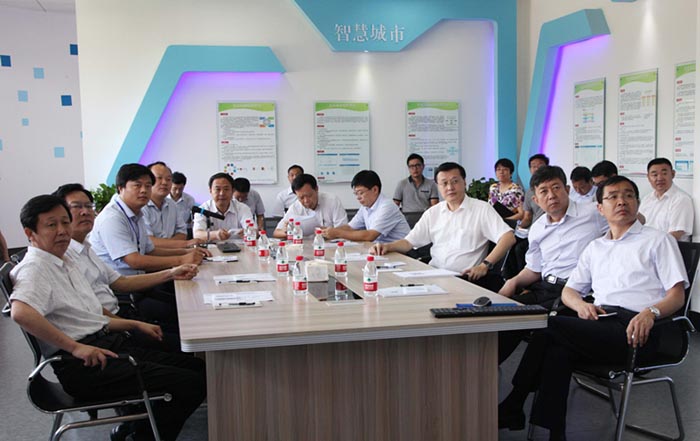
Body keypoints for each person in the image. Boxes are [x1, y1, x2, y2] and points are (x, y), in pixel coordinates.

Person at [498, 176, 688, 440]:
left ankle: (514, 403)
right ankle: (554, 433)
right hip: (603, 323)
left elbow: (677, 296)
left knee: (546, 325)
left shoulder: (657, 240)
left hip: (640, 330)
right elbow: (570, 291)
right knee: (557, 352)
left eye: (628, 196)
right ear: (600, 208)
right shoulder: (595, 247)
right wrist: (580, 306)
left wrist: (650, 312)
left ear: (637, 203)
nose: (621, 201)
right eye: (613, 197)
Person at [9, 194, 206, 441]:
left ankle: (135, 429)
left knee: (197, 367)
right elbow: (21, 312)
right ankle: (140, 436)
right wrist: (76, 348)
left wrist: (133, 324)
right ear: (30, 233)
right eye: (51, 225)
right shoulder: (35, 267)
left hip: (108, 345)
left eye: (64, 222)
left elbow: (88, 313)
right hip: (87, 365)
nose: (62, 231)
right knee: (191, 382)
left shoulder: (64, 259)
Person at [54, 183, 197, 351]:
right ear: (121, 188)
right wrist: (132, 325)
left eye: (88, 206)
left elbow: (121, 281)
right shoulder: (66, 257)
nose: (85, 212)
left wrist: (173, 272)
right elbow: (133, 262)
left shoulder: (86, 247)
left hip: (121, 313)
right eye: (77, 207)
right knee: (186, 343)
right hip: (109, 328)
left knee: (187, 328)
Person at [498, 166, 608, 362]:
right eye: (544, 191)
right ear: (536, 200)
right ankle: (486, 371)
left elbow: (631, 223)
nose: (551, 195)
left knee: (545, 331)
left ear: (567, 189)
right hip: (545, 288)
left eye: (556, 188)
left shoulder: (593, 213)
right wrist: (513, 282)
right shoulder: (538, 227)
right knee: (503, 316)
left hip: (577, 292)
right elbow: (534, 269)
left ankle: (517, 383)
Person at [370, 162, 516, 292]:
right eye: (444, 183)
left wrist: (485, 265)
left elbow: (508, 237)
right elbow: (409, 242)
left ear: (464, 182)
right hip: (433, 277)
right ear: (438, 186)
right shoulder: (433, 212)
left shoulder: (481, 209)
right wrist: (387, 246)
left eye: (455, 181)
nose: (450, 187)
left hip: (465, 281)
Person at [90, 163, 207, 277]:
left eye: (148, 186)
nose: (144, 190)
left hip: (141, 278)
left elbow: (149, 250)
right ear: (121, 188)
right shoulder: (112, 218)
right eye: (137, 185)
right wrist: (181, 259)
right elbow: (134, 261)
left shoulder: (136, 212)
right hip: (119, 286)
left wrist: (186, 252)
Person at [322, 170, 410, 243]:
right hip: (382, 249)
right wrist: (329, 232)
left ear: (375, 190)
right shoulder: (365, 207)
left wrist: (337, 233)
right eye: (356, 194)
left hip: (403, 252)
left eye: (361, 193)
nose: (358, 197)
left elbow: (370, 235)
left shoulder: (387, 206)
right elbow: (350, 227)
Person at [143, 162, 202, 248]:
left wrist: (168, 246)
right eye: (159, 178)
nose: (164, 182)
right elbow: (148, 241)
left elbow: (182, 233)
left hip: (173, 252)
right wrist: (178, 244)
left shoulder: (172, 205)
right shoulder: (141, 206)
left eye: (168, 179)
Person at [273, 173, 347, 238]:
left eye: (309, 196)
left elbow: (344, 229)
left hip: (330, 245)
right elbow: (276, 232)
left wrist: (331, 232)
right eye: (301, 198)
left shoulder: (332, 201)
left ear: (316, 189)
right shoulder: (295, 207)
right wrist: (287, 232)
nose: (306, 201)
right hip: (305, 246)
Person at [639, 157, 694, 242]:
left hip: (668, 248)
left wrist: (648, 246)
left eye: (664, 173)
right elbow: (638, 226)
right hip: (646, 245)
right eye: (654, 175)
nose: (659, 178)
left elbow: (675, 235)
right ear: (648, 177)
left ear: (673, 174)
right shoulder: (647, 199)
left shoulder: (681, 199)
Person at [192, 172, 254, 241]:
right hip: (211, 247)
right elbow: (197, 234)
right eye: (217, 189)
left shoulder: (243, 208)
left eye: (226, 189)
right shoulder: (203, 209)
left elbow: (254, 230)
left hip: (240, 247)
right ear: (210, 191)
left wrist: (249, 232)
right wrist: (215, 235)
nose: (222, 193)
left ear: (233, 191)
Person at [488, 158, 524, 222]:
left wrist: (504, 220)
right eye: (498, 169)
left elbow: (521, 214)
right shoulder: (493, 187)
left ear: (511, 173)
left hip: (508, 222)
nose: (501, 172)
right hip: (492, 222)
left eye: (505, 169)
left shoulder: (516, 189)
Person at [519, 154, 549, 229]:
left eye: (540, 166)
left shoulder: (554, 188)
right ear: (530, 170)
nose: (537, 169)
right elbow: (527, 217)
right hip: (535, 229)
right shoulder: (529, 192)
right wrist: (517, 226)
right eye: (534, 166)